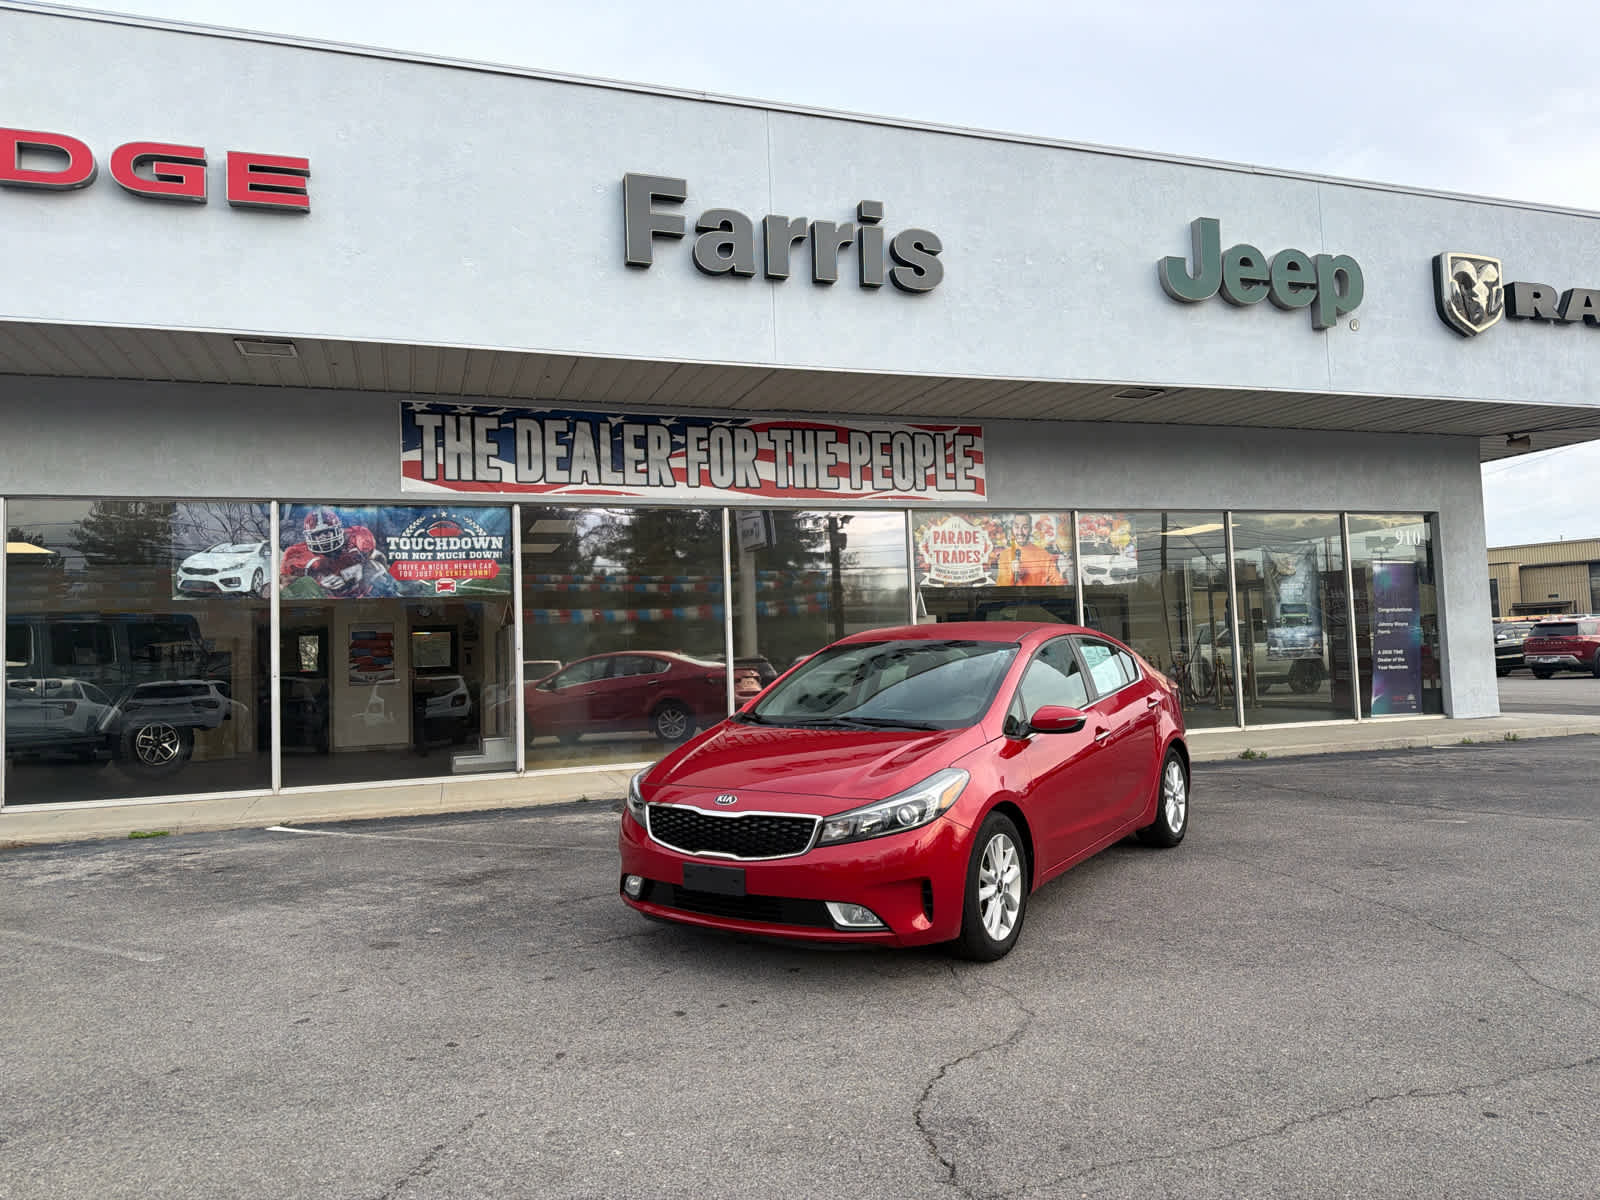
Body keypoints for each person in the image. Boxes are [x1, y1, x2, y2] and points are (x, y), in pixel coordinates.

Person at [280, 507, 401, 598]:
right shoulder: (297, 554)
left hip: (362, 594)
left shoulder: (356, 538)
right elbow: (287, 586)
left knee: (375, 567)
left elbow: (379, 558)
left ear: (338, 530)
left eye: (327, 532)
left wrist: (360, 569)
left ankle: (392, 598)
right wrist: (318, 581)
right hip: (326, 600)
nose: (323, 537)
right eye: (318, 534)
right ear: (309, 536)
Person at [996, 512, 1062, 587]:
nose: (1020, 532)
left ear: (1031, 529)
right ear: (1012, 529)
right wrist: (1012, 572)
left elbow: (1058, 583)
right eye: (1017, 527)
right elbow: (1000, 588)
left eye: (1025, 527)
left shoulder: (1043, 555)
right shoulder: (1004, 555)